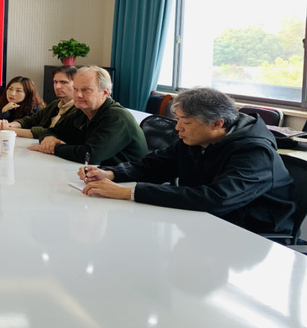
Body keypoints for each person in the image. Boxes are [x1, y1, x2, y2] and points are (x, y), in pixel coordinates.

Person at [79, 87, 296, 235]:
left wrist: (129, 192)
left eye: (186, 122)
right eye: (177, 120)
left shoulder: (255, 152)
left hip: (250, 233)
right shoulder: (196, 139)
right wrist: (111, 173)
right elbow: (156, 165)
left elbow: (216, 198)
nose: (177, 128)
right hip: (203, 222)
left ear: (217, 124)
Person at [31, 66, 147, 166]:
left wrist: (54, 148)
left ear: (105, 93)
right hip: (94, 174)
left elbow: (90, 155)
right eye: (75, 89)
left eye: (86, 90)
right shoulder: (82, 112)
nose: (78, 95)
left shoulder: (116, 117)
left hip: (126, 181)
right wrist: (49, 138)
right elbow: (51, 131)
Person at [0, 66, 77, 138]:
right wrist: (7, 126)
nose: (57, 86)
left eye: (64, 82)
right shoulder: (56, 104)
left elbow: (53, 132)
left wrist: (9, 130)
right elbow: (30, 120)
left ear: (77, 84)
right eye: (55, 82)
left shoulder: (79, 108)